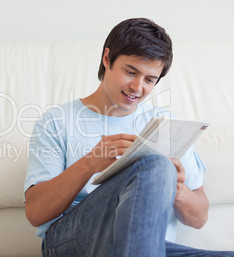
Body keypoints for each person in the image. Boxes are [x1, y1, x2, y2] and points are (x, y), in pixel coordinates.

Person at [24, 18, 234, 256]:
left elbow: (199, 217)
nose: (137, 87)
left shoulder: (166, 125)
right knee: (154, 164)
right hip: (73, 243)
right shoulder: (56, 121)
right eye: (130, 72)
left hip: (150, 248)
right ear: (107, 59)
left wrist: (174, 187)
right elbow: (35, 213)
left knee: (158, 169)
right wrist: (89, 163)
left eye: (149, 79)